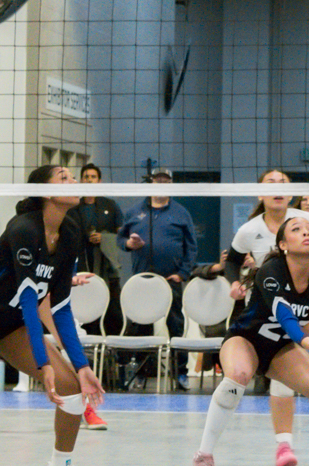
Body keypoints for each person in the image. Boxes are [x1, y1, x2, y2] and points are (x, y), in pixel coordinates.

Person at [191, 217, 309, 466]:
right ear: (283, 244)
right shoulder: (270, 270)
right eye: (297, 230)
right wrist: (305, 341)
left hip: (279, 348)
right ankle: (204, 455)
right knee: (237, 376)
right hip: (246, 339)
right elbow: (284, 313)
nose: (306, 233)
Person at [222, 169, 309, 466]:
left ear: (291, 193)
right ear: (260, 193)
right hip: (267, 308)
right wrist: (234, 281)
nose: (277, 188)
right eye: (270, 183)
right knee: (278, 373)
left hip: (307, 301)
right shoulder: (250, 229)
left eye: (283, 183)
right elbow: (231, 260)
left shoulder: (307, 222)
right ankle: (284, 445)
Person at [0, 165, 104, 466]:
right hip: (19, 314)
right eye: (64, 177)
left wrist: (82, 364)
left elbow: (59, 306)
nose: (74, 180)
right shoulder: (24, 229)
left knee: (72, 389)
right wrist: (43, 363)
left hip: (9, 326)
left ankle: (60, 463)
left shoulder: (70, 231)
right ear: (47, 192)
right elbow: (31, 300)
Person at [116, 167, 197, 390]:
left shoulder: (181, 213)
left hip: (171, 280)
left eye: (165, 180)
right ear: (150, 183)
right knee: (141, 325)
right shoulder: (134, 212)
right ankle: (142, 373)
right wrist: (128, 244)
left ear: (171, 184)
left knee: (175, 325)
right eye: (157, 180)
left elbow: (191, 247)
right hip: (143, 281)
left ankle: (180, 372)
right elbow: (120, 238)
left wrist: (182, 273)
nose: (161, 183)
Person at [66, 163, 120, 431]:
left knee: (72, 357)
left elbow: (120, 236)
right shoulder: (68, 211)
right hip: (55, 290)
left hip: (96, 278)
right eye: (79, 177)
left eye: (89, 177)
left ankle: (90, 403)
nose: (82, 181)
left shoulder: (107, 205)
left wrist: (105, 238)